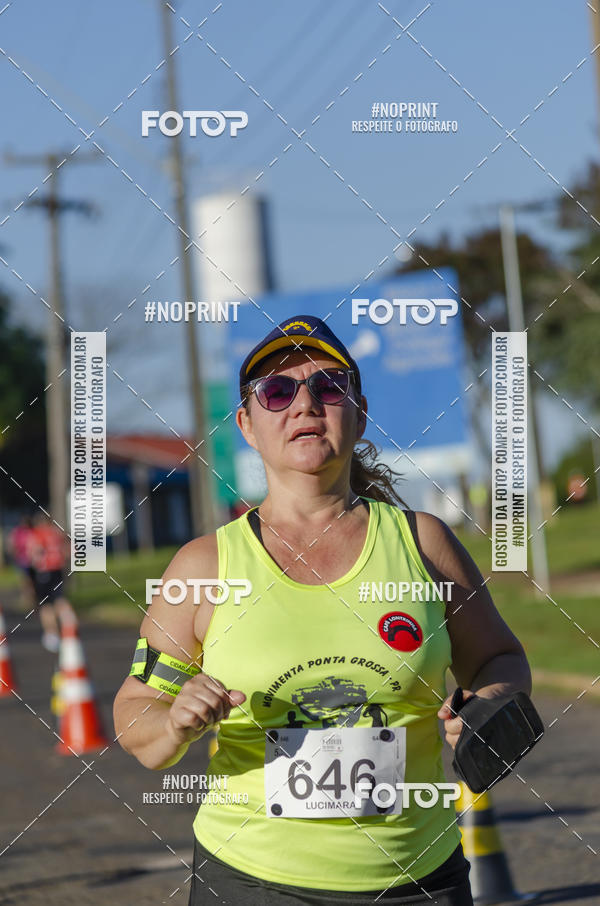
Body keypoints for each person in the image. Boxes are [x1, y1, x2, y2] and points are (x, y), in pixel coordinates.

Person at [114, 315, 532, 905]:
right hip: (250, 881)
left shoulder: (424, 543)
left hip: (418, 882)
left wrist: (487, 703)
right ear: (247, 426)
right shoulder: (202, 567)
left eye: (328, 386)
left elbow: (500, 658)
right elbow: (136, 719)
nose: (305, 402)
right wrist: (175, 721)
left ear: (358, 413)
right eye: (278, 391)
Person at [28, 513, 75, 652]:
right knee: (60, 599)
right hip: (58, 569)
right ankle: (70, 624)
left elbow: (35, 552)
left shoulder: (38, 534)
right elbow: (69, 549)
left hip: (45, 571)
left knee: (46, 605)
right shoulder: (57, 532)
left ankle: (52, 634)